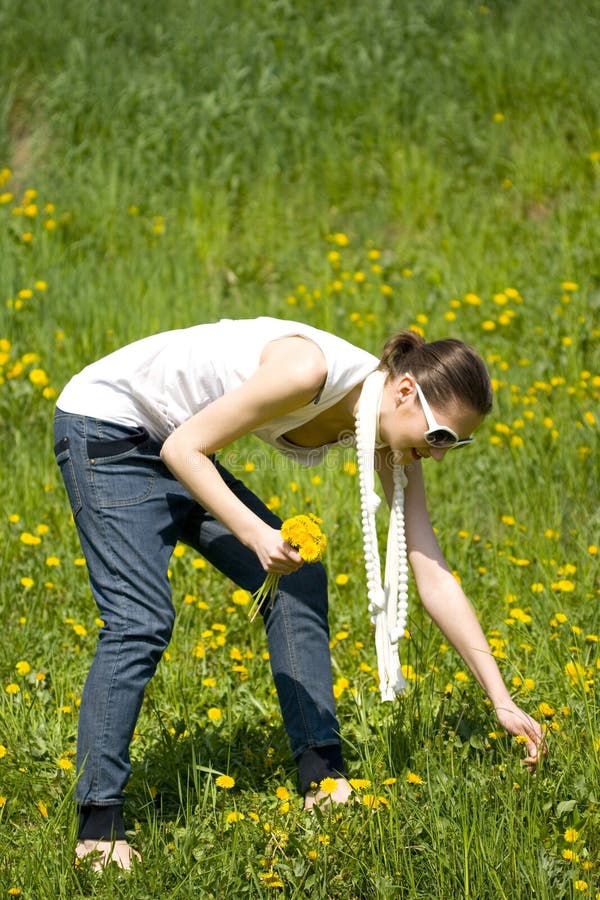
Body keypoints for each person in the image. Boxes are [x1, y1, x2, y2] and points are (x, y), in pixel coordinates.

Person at [53, 316, 545, 870]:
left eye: (457, 443)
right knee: (139, 618)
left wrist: (501, 700)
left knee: (300, 580)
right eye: (440, 437)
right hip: (110, 429)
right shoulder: (308, 371)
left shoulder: (382, 431)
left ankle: (322, 777)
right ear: (406, 391)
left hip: (174, 437)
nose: (438, 455)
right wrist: (256, 535)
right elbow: (184, 449)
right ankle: (98, 824)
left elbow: (429, 568)